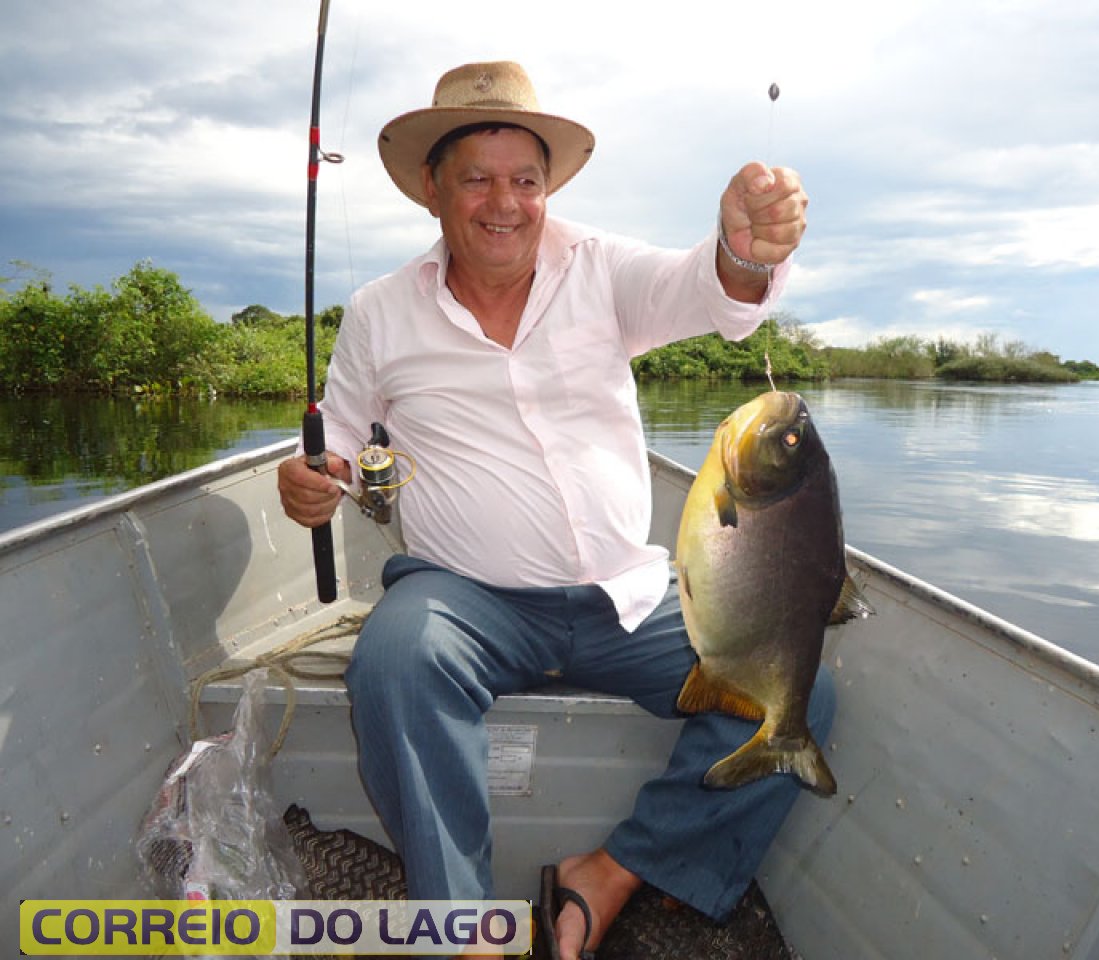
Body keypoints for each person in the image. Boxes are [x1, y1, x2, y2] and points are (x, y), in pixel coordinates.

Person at [277, 60, 831, 959]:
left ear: (548, 188)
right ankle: (464, 933)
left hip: (627, 596)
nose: (506, 201)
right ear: (432, 189)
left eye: (525, 180)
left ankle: (609, 873)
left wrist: (743, 250)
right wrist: (310, 483)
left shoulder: (601, 269)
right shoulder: (379, 313)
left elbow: (713, 291)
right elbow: (334, 446)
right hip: (467, 601)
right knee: (396, 658)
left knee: (792, 694)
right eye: (478, 178)